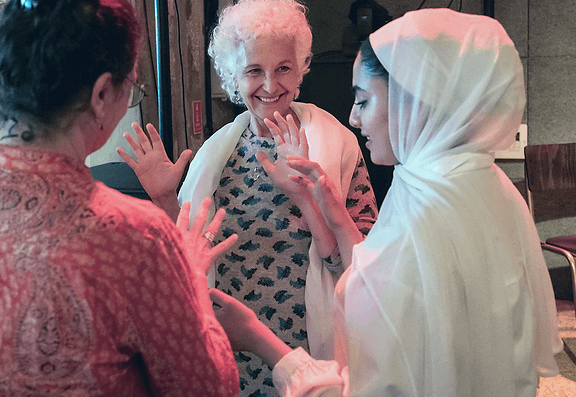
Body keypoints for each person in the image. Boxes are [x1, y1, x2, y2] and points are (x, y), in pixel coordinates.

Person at [208, 8, 564, 396]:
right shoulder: (471, 184)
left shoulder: (424, 213)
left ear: (409, 101)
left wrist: (258, 339)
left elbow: (368, 384)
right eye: (253, 70)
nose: (353, 119)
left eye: (362, 101)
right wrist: (320, 197)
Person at [119, 0, 378, 395]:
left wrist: (310, 195)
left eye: (283, 68)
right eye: (254, 71)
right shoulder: (216, 153)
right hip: (229, 348)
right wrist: (164, 197)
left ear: (302, 67)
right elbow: (189, 254)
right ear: (231, 78)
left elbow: (365, 274)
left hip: (312, 355)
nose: (271, 86)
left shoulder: (339, 145)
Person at [0, 0, 239, 395]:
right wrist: (192, 278)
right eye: (132, 89)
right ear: (99, 94)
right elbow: (208, 388)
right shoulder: (134, 238)